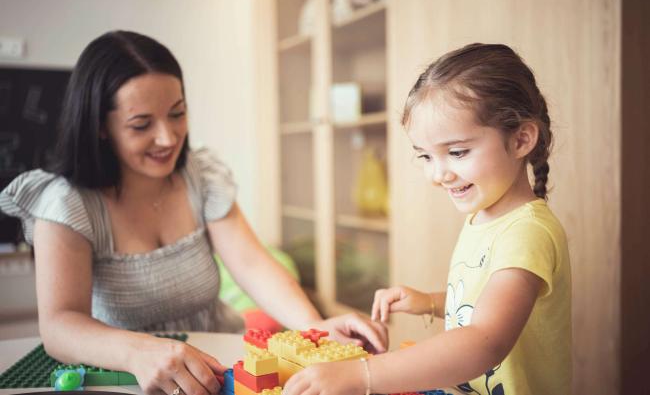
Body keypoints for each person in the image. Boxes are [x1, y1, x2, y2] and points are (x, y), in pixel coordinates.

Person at [0, 31, 387, 395]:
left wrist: (313, 327)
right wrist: (138, 352)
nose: (168, 138)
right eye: (141, 124)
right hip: (126, 376)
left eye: (177, 113)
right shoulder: (65, 202)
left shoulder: (200, 176)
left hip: (219, 364)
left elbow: (253, 265)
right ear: (101, 126)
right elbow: (60, 325)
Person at [283, 43, 571, 395]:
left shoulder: (528, 232)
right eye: (425, 157)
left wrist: (362, 374)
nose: (438, 175)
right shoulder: (485, 216)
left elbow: (485, 339)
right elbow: (489, 302)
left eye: (457, 152)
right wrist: (431, 302)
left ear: (521, 139)